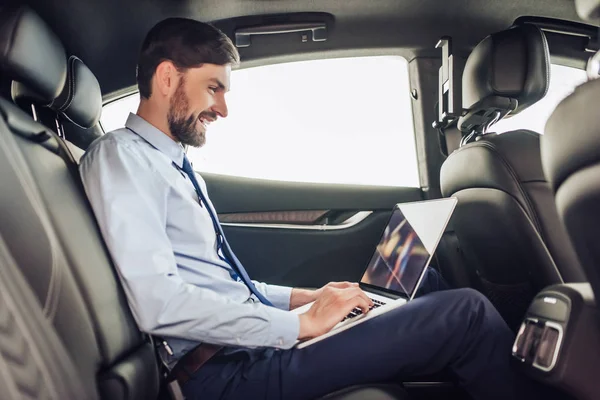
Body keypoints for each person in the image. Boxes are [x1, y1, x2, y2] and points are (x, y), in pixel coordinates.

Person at [80, 17, 550, 400]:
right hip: (224, 375)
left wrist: (308, 296)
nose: (223, 109)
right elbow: (158, 304)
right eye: (213, 88)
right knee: (464, 313)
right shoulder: (122, 157)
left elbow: (223, 287)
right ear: (167, 78)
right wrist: (300, 325)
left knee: (426, 284)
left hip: (241, 353)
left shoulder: (175, 166)